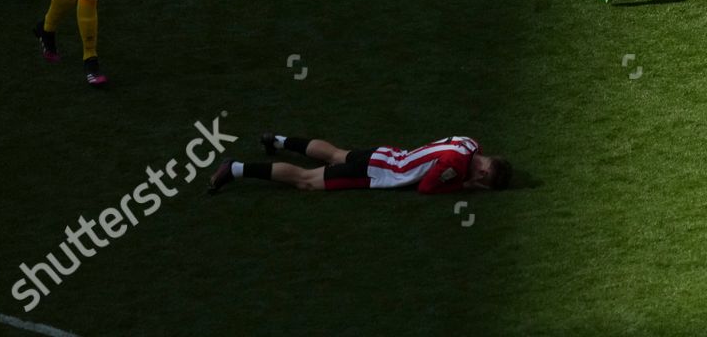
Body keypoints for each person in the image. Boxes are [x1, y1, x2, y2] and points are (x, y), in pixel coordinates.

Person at [208, 132, 510, 194]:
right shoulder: (458, 167)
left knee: (336, 153)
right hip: (377, 171)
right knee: (307, 181)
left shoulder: (471, 144)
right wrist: (466, 185)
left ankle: (277, 140)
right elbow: (428, 188)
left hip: (387, 153)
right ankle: (235, 169)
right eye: (482, 176)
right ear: (483, 169)